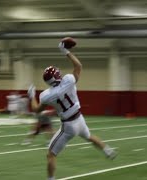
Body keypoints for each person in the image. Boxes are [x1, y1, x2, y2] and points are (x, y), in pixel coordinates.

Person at [27, 40, 117, 180]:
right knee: (89, 136)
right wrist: (66, 52)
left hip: (68, 126)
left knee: (51, 154)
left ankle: (51, 179)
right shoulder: (68, 80)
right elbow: (78, 66)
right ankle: (108, 150)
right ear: (57, 75)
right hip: (79, 119)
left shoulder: (46, 95)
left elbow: (36, 110)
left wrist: (31, 96)